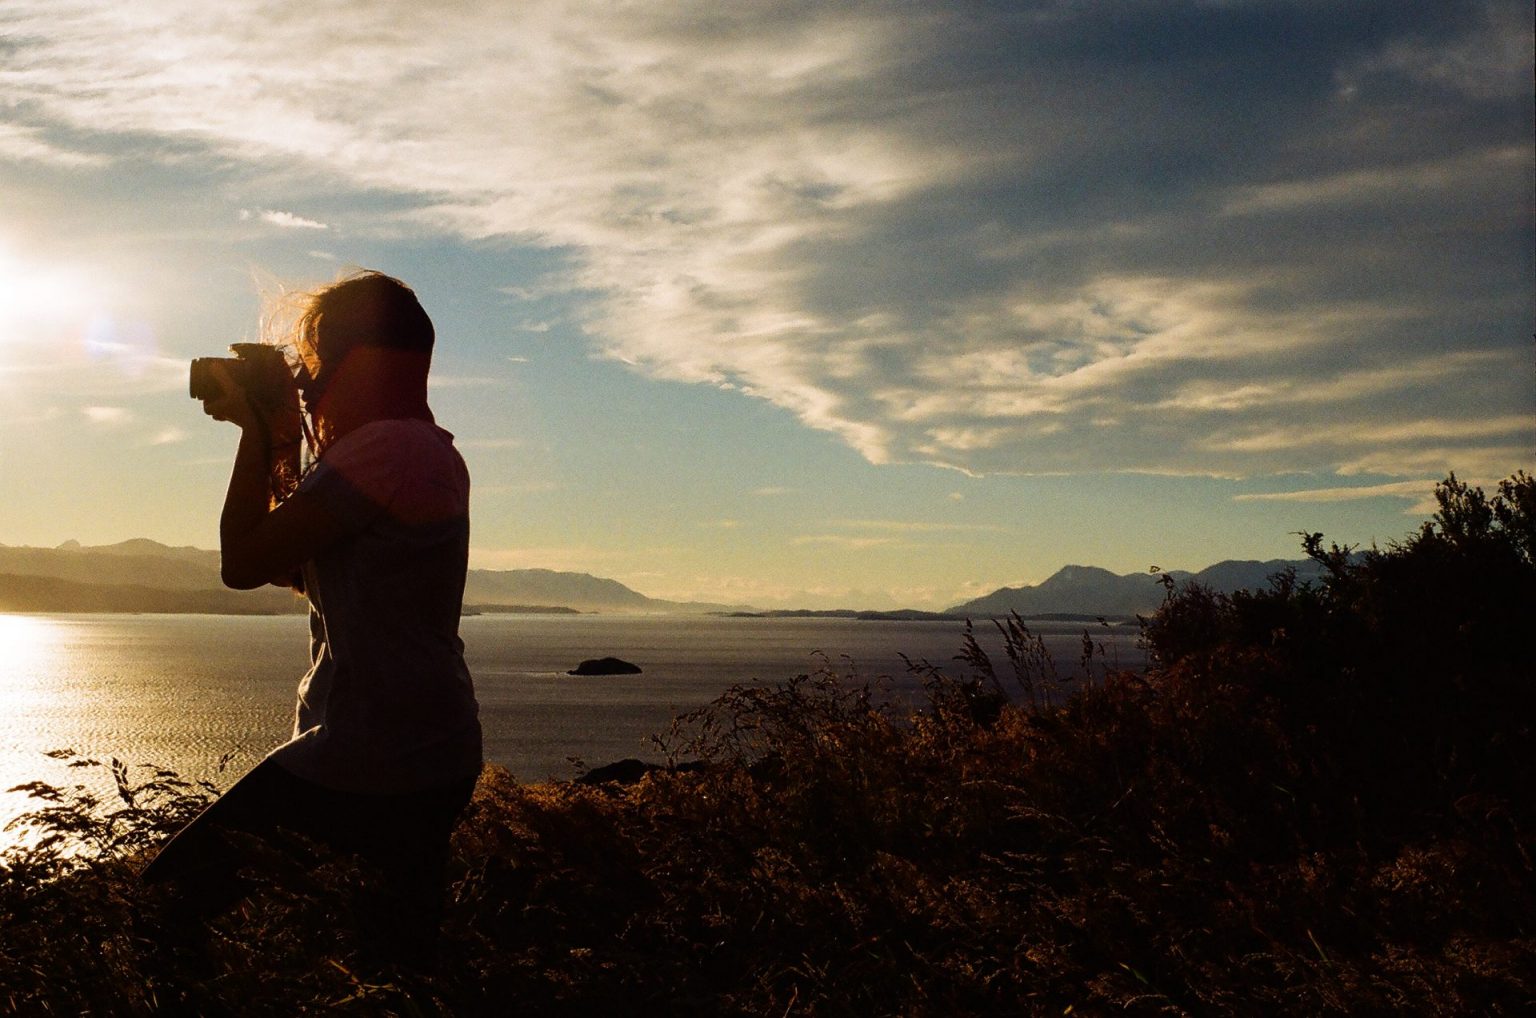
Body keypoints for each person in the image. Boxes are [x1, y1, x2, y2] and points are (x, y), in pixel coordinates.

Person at [141, 270, 482, 966]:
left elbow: (244, 563)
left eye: (316, 356)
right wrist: (276, 437)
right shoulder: (424, 449)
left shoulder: (385, 450)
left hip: (370, 752)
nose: (306, 378)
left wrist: (258, 431)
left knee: (164, 904)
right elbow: (292, 567)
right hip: (430, 747)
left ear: (359, 358)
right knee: (391, 961)